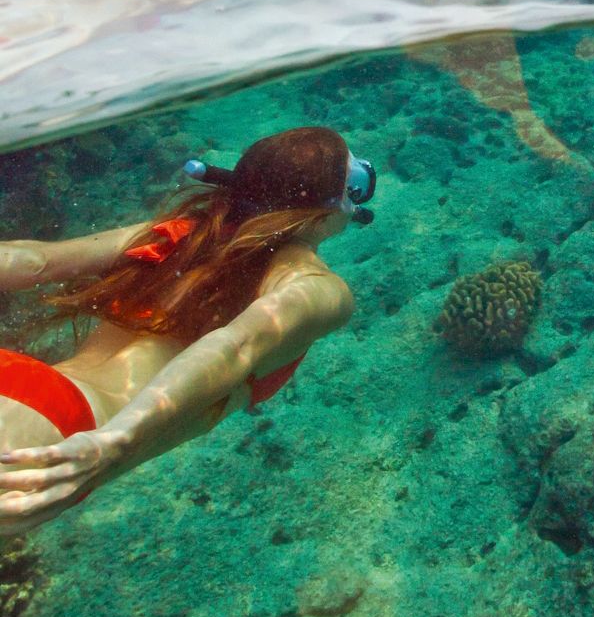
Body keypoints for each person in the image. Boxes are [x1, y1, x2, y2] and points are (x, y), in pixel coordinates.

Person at [0, 126, 367, 535]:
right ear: (327, 208)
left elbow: (37, 262)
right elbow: (234, 346)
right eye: (355, 187)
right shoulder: (315, 287)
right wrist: (115, 441)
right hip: (61, 424)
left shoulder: (179, 235)